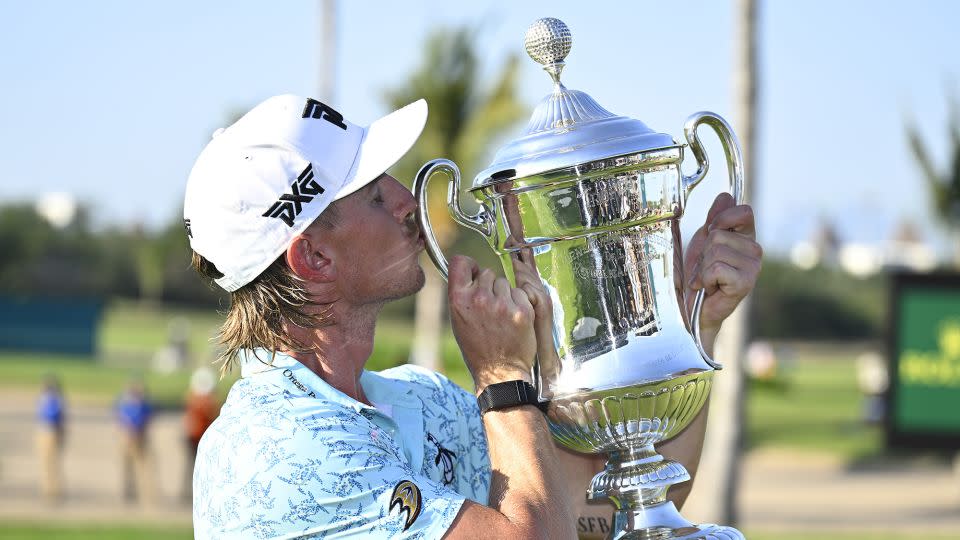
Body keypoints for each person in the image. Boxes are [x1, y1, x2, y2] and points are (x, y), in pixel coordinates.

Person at [184, 94, 761, 539]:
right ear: (313, 256)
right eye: (374, 197)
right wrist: (502, 380)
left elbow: (602, 507)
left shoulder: (421, 400)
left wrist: (691, 319)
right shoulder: (278, 449)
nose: (408, 200)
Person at [182, 367, 219, 502]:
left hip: (199, 437)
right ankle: (189, 494)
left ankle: (191, 493)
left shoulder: (196, 400)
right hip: (196, 437)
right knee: (193, 466)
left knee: (195, 466)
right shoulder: (198, 402)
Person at [115, 379, 155, 505]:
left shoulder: (143, 406)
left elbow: (146, 417)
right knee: (127, 466)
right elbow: (121, 417)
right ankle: (128, 492)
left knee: (142, 466)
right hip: (127, 438)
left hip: (140, 438)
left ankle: (146, 493)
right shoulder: (126, 404)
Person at [36, 374, 66, 502]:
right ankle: (47, 489)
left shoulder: (55, 400)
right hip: (44, 431)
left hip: (51, 432)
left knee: (53, 462)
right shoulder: (45, 399)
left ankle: (55, 490)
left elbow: (52, 417)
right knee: (45, 462)